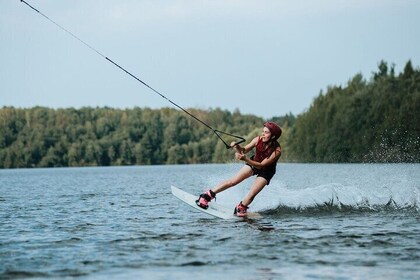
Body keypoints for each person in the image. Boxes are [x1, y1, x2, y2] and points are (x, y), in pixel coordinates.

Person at [196, 122, 282, 217]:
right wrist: (237, 146)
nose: (263, 134)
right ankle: (206, 196)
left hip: (266, 171)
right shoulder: (258, 139)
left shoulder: (277, 151)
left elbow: (261, 166)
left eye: (266, 132)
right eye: (263, 131)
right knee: (233, 181)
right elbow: (244, 150)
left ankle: (241, 208)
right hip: (254, 162)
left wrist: (245, 159)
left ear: (273, 136)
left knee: (252, 194)